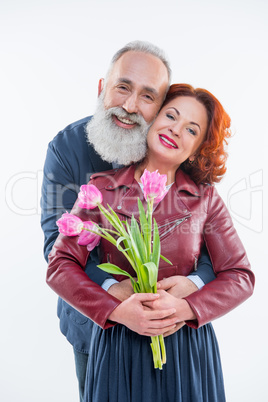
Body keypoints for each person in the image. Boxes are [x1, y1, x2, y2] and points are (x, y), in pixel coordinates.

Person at [47, 83, 255, 401]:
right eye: (170, 115)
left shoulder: (205, 199)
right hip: (119, 345)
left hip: (186, 346)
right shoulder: (101, 189)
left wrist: (186, 307)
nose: (175, 129)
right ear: (153, 118)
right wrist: (115, 309)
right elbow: (59, 266)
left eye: (191, 130)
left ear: (198, 148)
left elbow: (240, 275)